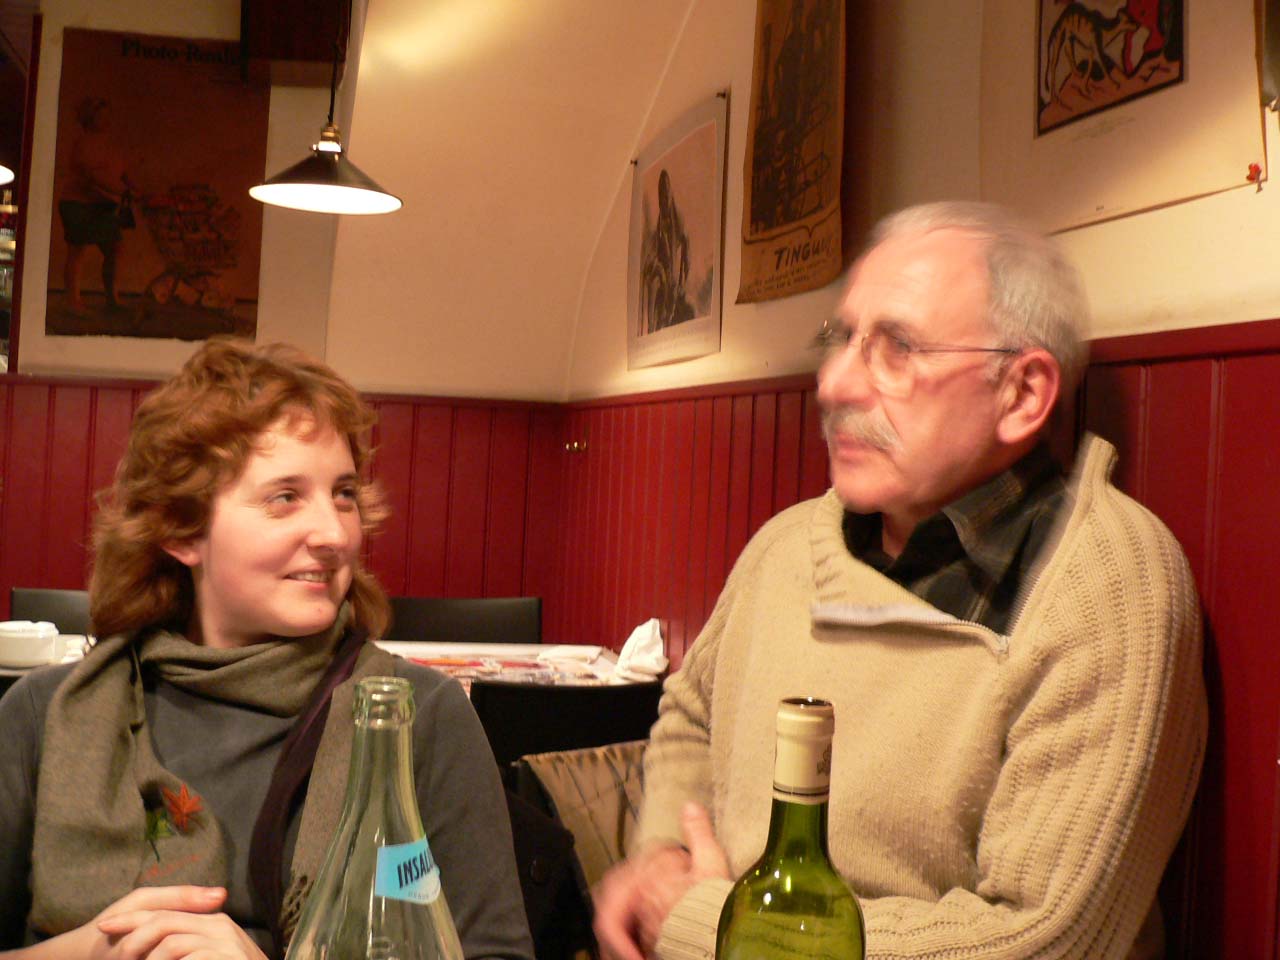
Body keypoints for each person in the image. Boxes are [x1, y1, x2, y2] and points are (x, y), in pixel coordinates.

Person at [594, 201, 1207, 960]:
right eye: (842, 340)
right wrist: (664, 857)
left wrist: (703, 925)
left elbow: (1043, 940)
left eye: (897, 348)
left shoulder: (1103, 585)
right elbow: (692, 717)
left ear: (1021, 394)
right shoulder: (787, 545)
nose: (835, 384)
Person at [0, 339, 534, 960]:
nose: (334, 534)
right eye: (285, 498)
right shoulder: (45, 715)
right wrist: (94, 948)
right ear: (181, 530)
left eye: (343, 493)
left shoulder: (413, 717)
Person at [57, 96, 135, 312]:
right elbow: (94, 177)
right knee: (77, 251)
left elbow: (124, 174)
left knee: (115, 249)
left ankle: (113, 299)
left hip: (103, 206)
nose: (105, 119)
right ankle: (74, 301)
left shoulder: (112, 145)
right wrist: (123, 191)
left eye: (107, 115)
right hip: (79, 204)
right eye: (100, 115)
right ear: (89, 118)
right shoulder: (84, 144)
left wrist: (138, 190)